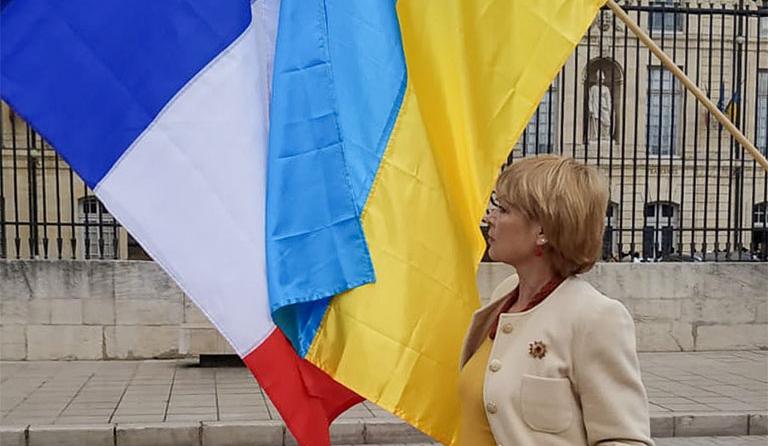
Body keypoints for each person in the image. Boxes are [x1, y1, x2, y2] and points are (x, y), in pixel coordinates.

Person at [458, 155, 653, 445]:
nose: (489, 217)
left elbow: (625, 439)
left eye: (504, 209)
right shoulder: (505, 294)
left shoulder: (595, 317)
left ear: (544, 232)